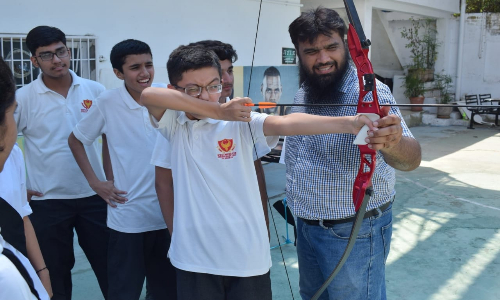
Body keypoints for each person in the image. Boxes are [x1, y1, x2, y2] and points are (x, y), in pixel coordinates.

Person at [140, 45, 377, 300]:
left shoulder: (240, 123)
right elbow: (149, 95)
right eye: (193, 89)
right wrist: (218, 110)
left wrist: (349, 123)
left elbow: (286, 123)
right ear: (175, 91)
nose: (206, 95)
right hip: (194, 258)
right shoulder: (175, 124)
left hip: (246, 257)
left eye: (213, 86)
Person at [286, 7, 422, 300]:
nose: (322, 59)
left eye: (331, 47)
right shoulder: (304, 92)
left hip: (353, 232)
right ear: (299, 52)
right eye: (311, 51)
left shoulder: (371, 93)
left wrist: (393, 141)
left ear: (347, 45)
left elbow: (411, 160)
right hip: (307, 227)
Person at [68, 39, 176, 300]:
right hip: (128, 217)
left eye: (149, 65)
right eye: (135, 67)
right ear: (118, 73)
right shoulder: (107, 102)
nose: (145, 73)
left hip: (169, 215)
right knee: (123, 292)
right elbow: (76, 139)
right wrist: (96, 183)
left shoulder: (169, 95)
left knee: (167, 292)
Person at [14, 26, 109, 300]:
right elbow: (5, 148)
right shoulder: (23, 99)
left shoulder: (96, 90)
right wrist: (18, 188)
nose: (57, 60)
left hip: (95, 197)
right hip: (47, 201)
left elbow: (111, 141)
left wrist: (109, 181)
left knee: (110, 268)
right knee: (55, 275)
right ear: (34, 60)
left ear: (68, 52)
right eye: (47, 55)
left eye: (61, 52)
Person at [152, 40, 271, 236]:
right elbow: (163, 183)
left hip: (243, 233)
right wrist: (176, 235)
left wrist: (264, 227)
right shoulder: (179, 120)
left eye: (230, 71)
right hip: (200, 235)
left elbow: (256, 172)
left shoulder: (241, 114)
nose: (227, 79)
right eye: (220, 73)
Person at [0, 56, 50, 300]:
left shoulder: (13, 157)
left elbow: (22, 214)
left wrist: (41, 272)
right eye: (13, 113)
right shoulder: (5, 275)